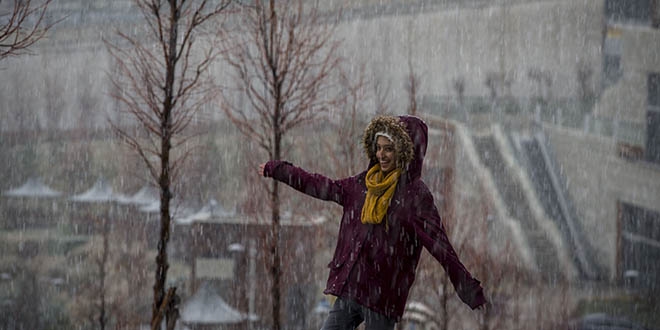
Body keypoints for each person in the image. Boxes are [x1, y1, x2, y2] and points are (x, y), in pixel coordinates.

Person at [258, 115, 486, 330]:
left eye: (389, 149)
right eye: (379, 148)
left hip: (383, 298)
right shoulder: (362, 184)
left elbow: (441, 246)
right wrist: (279, 170)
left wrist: (469, 289)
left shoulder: (415, 197)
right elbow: (320, 186)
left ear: (404, 152)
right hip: (351, 288)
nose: (382, 155)